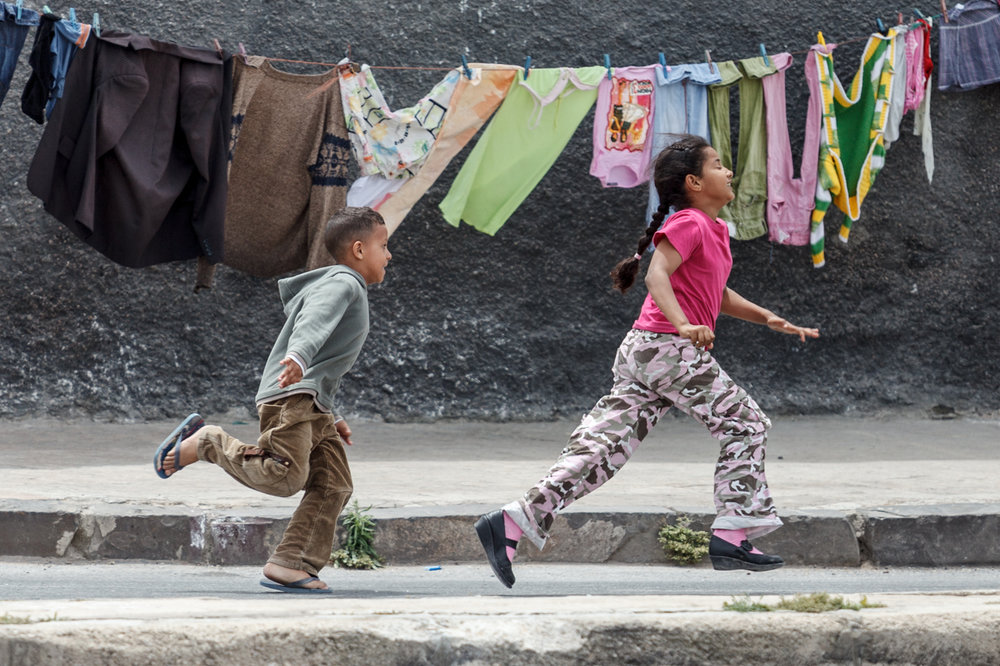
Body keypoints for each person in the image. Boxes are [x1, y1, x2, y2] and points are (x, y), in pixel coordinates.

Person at [475, 134, 819, 588]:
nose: (728, 171)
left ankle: (512, 521)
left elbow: (715, 293)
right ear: (695, 182)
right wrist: (681, 324)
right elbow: (658, 275)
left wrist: (768, 317)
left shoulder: (713, 230)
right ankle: (734, 531)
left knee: (603, 449)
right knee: (746, 423)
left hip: (647, 352)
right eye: (718, 165)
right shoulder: (690, 223)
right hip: (667, 350)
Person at [153, 206, 391, 594]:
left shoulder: (346, 285)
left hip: (314, 405)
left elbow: (327, 362)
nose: (389, 254)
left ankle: (290, 563)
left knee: (333, 485)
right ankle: (209, 442)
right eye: (385, 245)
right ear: (359, 250)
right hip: (292, 397)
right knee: (284, 478)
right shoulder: (343, 282)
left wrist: (334, 415)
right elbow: (314, 320)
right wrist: (297, 357)